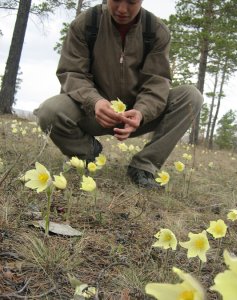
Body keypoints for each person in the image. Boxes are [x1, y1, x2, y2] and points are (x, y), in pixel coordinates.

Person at [34, 0, 203, 189]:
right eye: (115, 0)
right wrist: (94, 101)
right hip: (91, 111)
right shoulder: (86, 23)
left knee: (191, 96)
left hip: (135, 115)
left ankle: (144, 166)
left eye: (131, 2)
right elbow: (73, 73)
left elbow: (157, 82)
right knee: (49, 111)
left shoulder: (156, 31)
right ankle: (87, 153)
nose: (122, 9)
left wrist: (141, 111)